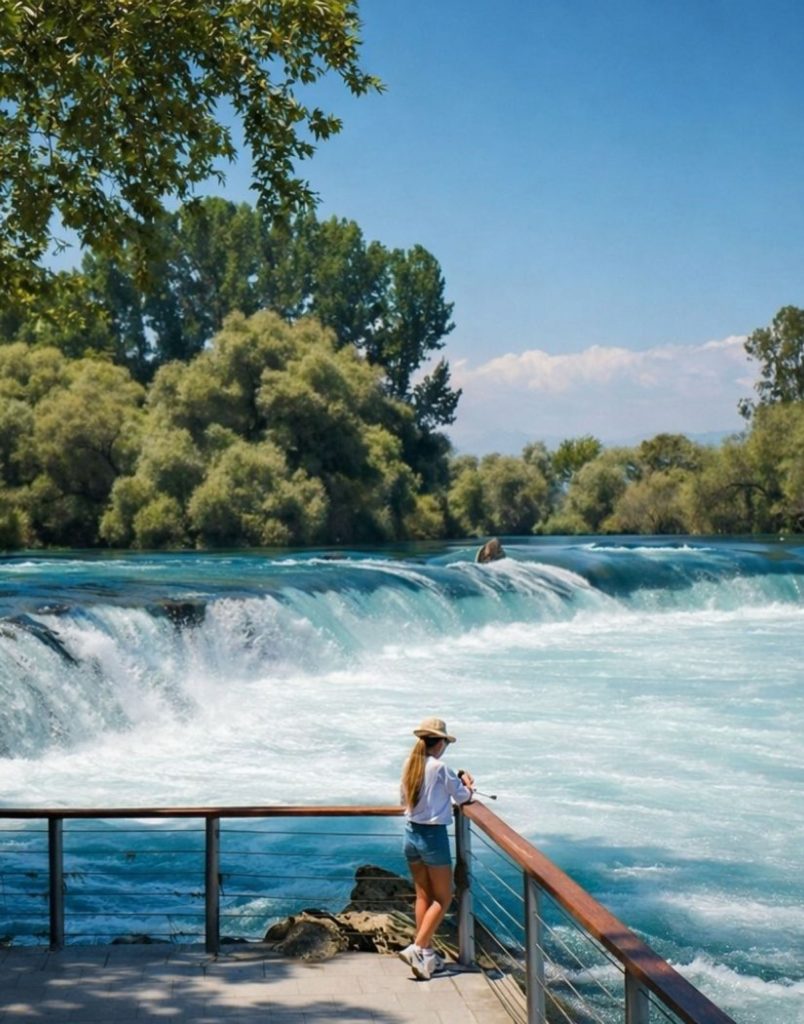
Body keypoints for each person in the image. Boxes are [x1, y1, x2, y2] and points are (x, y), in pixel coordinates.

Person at [397, 717, 475, 980]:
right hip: (432, 837)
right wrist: (469, 785)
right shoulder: (440, 768)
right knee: (444, 898)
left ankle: (426, 955)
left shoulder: (411, 764)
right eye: (445, 742)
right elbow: (462, 797)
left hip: (410, 834)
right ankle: (418, 948)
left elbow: (404, 799)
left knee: (423, 896)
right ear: (439, 742)